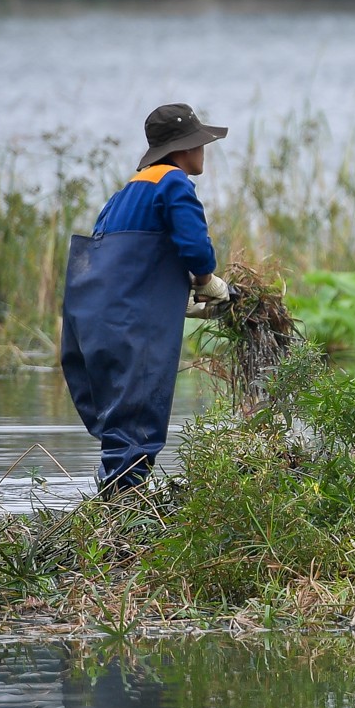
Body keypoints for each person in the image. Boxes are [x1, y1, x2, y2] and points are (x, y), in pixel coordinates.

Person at [61, 104, 231, 494]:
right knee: (138, 422)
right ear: (184, 148)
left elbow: (122, 262)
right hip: (132, 325)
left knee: (121, 426)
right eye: (200, 143)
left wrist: (176, 297)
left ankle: (114, 510)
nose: (204, 151)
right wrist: (206, 281)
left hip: (93, 319)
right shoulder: (173, 182)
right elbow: (195, 247)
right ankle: (124, 517)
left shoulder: (123, 195)